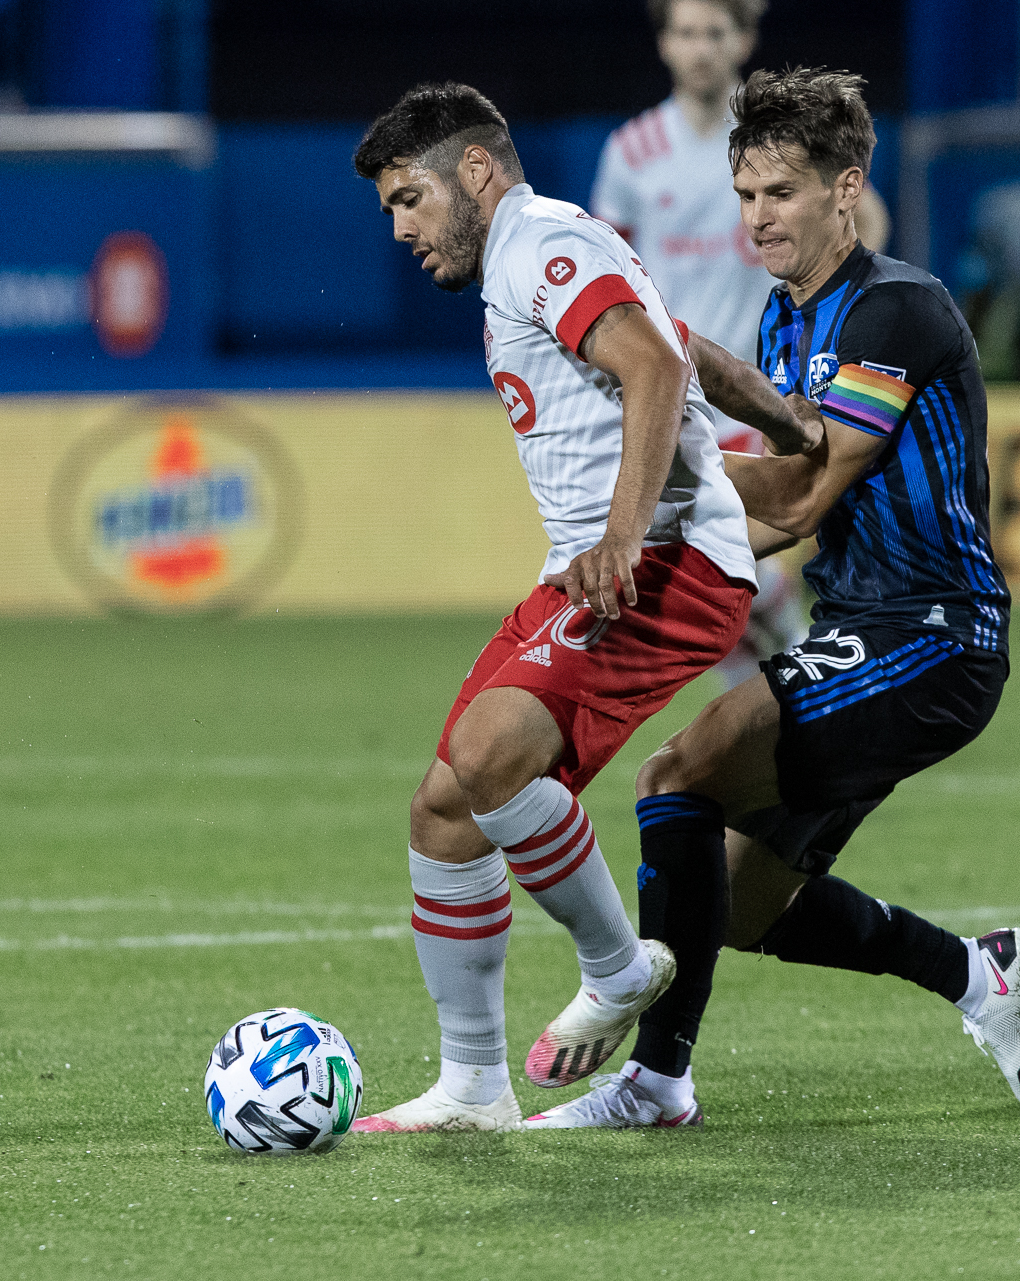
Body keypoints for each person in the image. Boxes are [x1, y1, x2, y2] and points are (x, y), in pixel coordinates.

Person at [521, 68, 1020, 1131]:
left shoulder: (895, 308)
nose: (756, 218)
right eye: (746, 193)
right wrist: (638, 531)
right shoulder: (779, 323)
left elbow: (806, 491)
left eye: (781, 194)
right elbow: (757, 504)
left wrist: (645, 507)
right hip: (852, 628)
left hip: (934, 632)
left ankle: (657, 1086)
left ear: (845, 190)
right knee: (739, 902)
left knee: (679, 773)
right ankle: (975, 977)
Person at [344, 82, 810, 1133]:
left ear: (475, 171)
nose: (400, 227)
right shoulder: (552, 253)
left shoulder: (534, 242)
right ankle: (471, 1086)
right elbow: (681, 344)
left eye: (407, 198)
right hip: (598, 562)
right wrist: (786, 422)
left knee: (491, 749)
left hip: (660, 558)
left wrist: (617, 535)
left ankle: (616, 966)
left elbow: (647, 367)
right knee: (445, 807)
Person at [591, 0, 886, 691]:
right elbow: (605, 267)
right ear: (664, 44)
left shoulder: (778, 144)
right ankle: (786, 683)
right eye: (686, 33)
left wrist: (868, 306)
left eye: (713, 33)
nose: (699, 48)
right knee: (711, 566)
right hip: (672, 386)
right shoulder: (631, 154)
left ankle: (794, 670)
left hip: (763, 384)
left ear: (743, 40)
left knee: (722, 557)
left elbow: (864, 216)